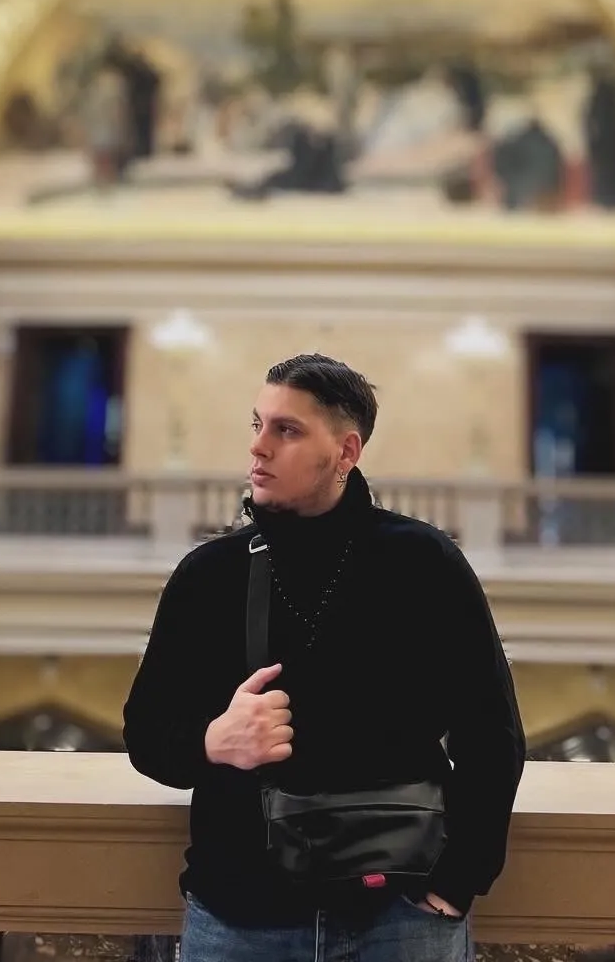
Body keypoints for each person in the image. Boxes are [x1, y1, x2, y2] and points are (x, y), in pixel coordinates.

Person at [124, 354, 526, 961]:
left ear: (346, 452)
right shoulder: (209, 575)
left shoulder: (423, 563)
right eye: (257, 424)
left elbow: (491, 732)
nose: (258, 447)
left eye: (286, 430)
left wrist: (457, 883)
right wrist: (213, 741)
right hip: (240, 918)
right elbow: (145, 733)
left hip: (400, 920)